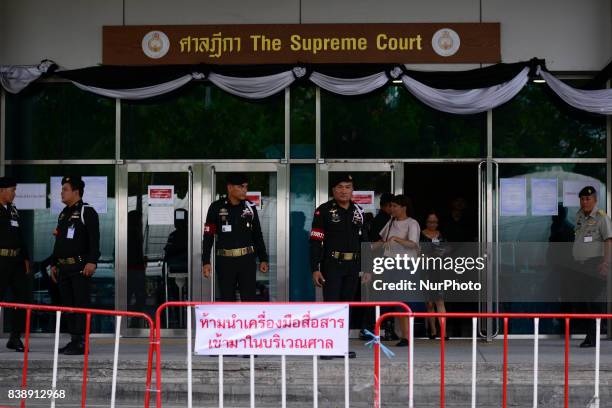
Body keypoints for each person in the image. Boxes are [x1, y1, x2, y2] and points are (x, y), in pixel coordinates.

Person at [310, 173, 366, 359]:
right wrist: (315, 268)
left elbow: (364, 240)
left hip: (353, 265)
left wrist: (367, 267)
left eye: (348, 187)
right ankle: (328, 347)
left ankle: (341, 346)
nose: (344, 191)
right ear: (333, 190)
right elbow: (315, 242)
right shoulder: (323, 211)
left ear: (352, 190)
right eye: (340, 187)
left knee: (346, 306)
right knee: (332, 305)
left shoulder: (358, 210)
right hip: (332, 264)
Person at [50, 176, 100, 355]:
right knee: (68, 306)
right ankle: (74, 339)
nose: (61, 192)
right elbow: (60, 242)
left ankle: (82, 342)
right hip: (63, 268)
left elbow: (95, 240)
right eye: (62, 189)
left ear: (76, 191)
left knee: (80, 305)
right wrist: (54, 264)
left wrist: (92, 261)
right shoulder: (64, 213)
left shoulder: (87, 211)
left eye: (65, 189)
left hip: (79, 267)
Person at [202, 173, 268, 301]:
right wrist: (206, 261)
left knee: (249, 299)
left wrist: (263, 258)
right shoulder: (216, 207)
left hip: (247, 260)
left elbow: (257, 235)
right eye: (241, 187)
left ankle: (248, 321)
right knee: (227, 299)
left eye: (246, 187)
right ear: (230, 187)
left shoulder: (250, 207)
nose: (245, 190)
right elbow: (208, 235)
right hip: (225, 261)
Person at [571, 186, 612, 348]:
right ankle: (589, 334)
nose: (585, 202)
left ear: (595, 200)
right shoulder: (579, 216)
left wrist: (606, 263)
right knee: (584, 302)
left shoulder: (602, 218)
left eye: (588, 199)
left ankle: (593, 337)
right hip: (580, 266)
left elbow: (608, 241)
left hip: (596, 264)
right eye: (582, 199)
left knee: (594, 303)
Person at [377, 195, 420, 347]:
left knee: (405, 300)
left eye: (395, 206)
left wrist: (396, 238)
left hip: (406, 265)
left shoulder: (412, 223)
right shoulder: (391, 222)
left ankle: (407, 336)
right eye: (391, 206)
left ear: (403, 207)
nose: (392, 209)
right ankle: (403, 335)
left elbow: (413, 244)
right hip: (391, 264)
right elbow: (383, 240)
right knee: (395, 300)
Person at [0, 177, 31, 352]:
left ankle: (15, 337)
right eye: (12, 189)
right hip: (1, 260)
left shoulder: (13, 210)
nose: (14, 193)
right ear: (2, 190)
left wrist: (25, 259)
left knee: (22, 299)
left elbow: (20, 236)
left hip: (16, 261)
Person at [420, 210, 449, 340]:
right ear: (426, 222)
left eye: (435, 222)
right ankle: (432, 330)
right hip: (425, 270)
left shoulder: (442, 235)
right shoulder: (421, 235)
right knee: (429, 303)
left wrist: (444, 252)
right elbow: (417, 253)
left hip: (439, 271)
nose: (433, 224)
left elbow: (448, 249)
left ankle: (443, 331)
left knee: (440, 301)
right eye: (430, 221)